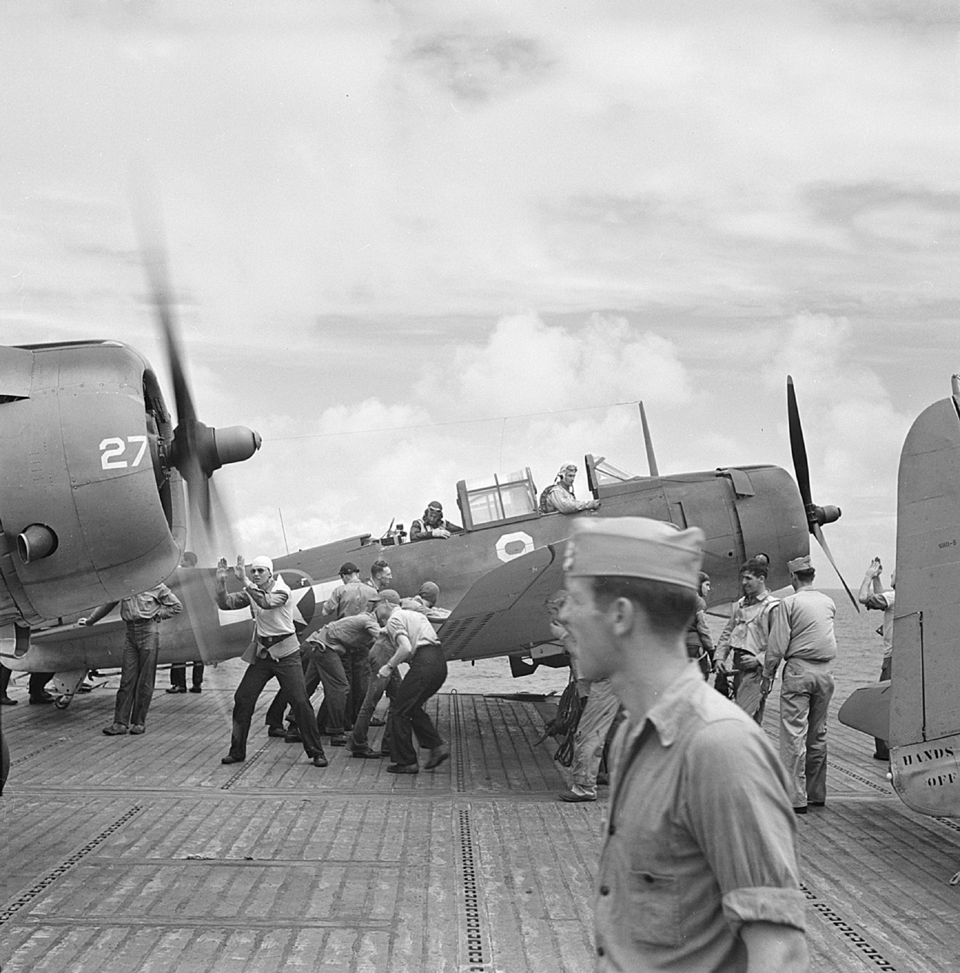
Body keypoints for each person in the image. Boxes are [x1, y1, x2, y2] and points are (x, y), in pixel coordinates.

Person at [557, 516, 808, 972]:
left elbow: (781, 952)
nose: (565, 616)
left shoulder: (719, 749)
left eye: (576, 600)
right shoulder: (634, 734)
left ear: (620, 616)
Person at [216, 556, 327, 768]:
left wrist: (245, 582)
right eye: (253, 571)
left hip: (287, 654)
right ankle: (237, 751)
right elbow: (226, 603)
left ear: (270, 572)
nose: (256, 574)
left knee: (300, 702)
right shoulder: (253, 591)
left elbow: (266, 602)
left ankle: (316, 752)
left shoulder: (282, 590)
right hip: (263, 654)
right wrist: (221, 583)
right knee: (242, 698)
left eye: (260, 571)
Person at [762, 555, 837, 814]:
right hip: (826, 672)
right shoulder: (828, 602)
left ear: (794, 577)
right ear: (812, 576)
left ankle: (795, 797)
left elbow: (778, 644)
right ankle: (817, 793)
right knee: (819, 733)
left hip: (799, 670)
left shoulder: (789, 603)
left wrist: (767, 674)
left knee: (793, 734)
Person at [81, 584, 183, 736]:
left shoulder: (157, 586)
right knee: (126, 679)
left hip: (149, 632)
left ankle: (139, 723)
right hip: (131, 633)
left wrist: (158, 615)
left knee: (145, 681)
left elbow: (176, 606)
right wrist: (90, 621)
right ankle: (120, 723)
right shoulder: (125, 584)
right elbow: (108, 605)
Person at [376, 589, 450, 774]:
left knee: (399, 710)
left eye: (376, 604)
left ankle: (407, 762)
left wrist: (388, 667)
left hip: (423, 664)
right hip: (439, 663)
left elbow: (406, 648)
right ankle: (436, 746)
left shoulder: (394, 619)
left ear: (385, 603)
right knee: (412, 707)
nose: (374, 609)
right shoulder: (412, 615)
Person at [715, 557, 779, 723]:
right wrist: (720, 657)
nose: (744, 582)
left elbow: (779, 645)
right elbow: (728, 632)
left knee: (744, 720)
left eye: (748, 578)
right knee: (744, 720)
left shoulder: (772, 607)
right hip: (737, 669)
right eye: (743, 578)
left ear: (761, 579)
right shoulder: (740, 605)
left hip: (756, 672)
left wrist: (758, 660)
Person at [858, 556, 895, 761]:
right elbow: (885, 597)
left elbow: (864, 598)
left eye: (893, 574)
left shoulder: (894, 597)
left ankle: (884, 751)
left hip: (892, 659)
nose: (891, 574)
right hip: (899, 658)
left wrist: (867, 577)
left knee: (881, 702)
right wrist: (877, 579)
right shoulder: (901, 597)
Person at [684, 571, 715, 679]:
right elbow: (703, 628)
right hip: (694, 647)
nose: (708, 589)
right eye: (706, 584)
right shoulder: (699, 602)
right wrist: (711, 650)